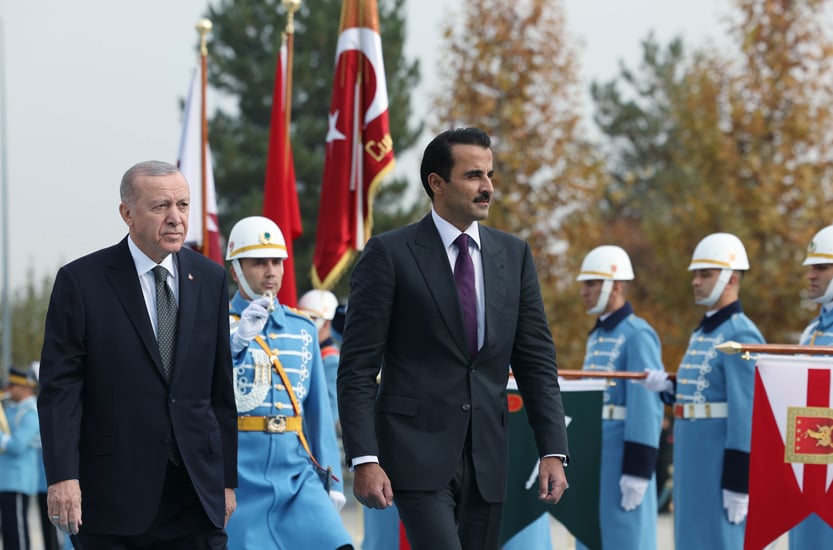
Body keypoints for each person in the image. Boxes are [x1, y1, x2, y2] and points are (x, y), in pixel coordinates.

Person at [338, 127, 570, 550]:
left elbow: (537, 362)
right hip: (415, 454)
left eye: (490, 175)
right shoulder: (389, 254)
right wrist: (365, 458)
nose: (488, 187)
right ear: (437, 183)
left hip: (488, 457)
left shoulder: (514, 255)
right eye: (473, 175)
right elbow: (357, 368)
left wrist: (552, 449)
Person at [38, 160, 238, 548]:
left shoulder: (210, 278)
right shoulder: (81, 282)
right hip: (112, 497)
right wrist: (62, 476)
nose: (176, 218)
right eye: (161, 206)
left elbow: (220, 391)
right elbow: (60, 391)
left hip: (196, 494)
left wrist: (227, 480)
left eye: (183, 205)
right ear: (127, 214)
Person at [222, 216, 353, 550]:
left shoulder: (303, 328)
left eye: (277, 262)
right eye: (258, 263)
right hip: (238, 477)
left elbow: (318, 413)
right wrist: (234, 344)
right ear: (236, 270)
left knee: (338, 544)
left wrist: (333, 479)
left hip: (296, 475)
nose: (271, 271)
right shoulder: (214, 326)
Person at [641, 232, 763, 550]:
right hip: (691, 453)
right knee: (691, 538)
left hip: (718, 459)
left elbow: (747, 412)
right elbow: (704, 392)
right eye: (696, 274)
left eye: (705, 274)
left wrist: (739, 479)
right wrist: (669, 387)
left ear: (731, 278)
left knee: (720, 539)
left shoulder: (741, 332)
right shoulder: (704, 331)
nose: (696, 281)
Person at [575, 245, 664, 549]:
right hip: (594, 454)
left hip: (621, 457)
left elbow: (646, 405)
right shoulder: (597, 335)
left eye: (591, 283)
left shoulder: (638, 334)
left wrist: (638, 469)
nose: (584, 292)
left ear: (616, 286)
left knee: (624, 537)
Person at [787, 225, 833, 548]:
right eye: (810, 267)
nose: (811, 275)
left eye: (821, 267)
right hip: (808, 465)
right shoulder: (810, 332)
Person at [0, 366, 40, 550]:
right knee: (8, 533)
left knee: (17, 534)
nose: (7, 389)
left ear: (25, 387)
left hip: (18, 481)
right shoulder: (11, 410)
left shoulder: (31, 412)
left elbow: (17, 445)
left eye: (12, 385)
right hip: (5, 481)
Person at [298, 288, 342, 424]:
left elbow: (329, 412)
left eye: (310, 319)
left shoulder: (331, 360)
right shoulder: (311, 353)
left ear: (326, 323)